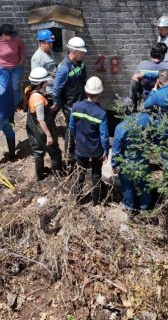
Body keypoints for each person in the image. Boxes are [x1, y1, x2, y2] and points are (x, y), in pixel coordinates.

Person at [69, 77, 110, 205]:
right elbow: (104, 135)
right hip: (96, 149)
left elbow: (71, 126)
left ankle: (77, 199)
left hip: (80, 148)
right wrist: (105, 151)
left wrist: (76, 139)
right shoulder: (101, 113)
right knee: (96, 174)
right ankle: (95, 202)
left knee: (80, 173)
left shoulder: (76, 107)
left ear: (86, 91)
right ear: (99, 93)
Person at [25, 67, 63, 180]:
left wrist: (51, 109)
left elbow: (35, 110)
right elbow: (41, 118)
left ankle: (40, 174)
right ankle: (57, 174)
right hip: (41, 127)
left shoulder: (29, 91)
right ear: (41, 83)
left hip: (31, 125)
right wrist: (49, 135)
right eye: (46, 81)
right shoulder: (38, 99)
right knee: (55, 151)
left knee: (37, 150)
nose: (47, 82)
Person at [53, 36, 88, 157]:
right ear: (73, 51)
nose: (83, 54)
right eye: (81, 52)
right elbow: (57, 88)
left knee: (80, 126)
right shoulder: (64, 68)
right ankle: (69, 153)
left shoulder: (81, 64)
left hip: (81, 100)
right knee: (71, 127)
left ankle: (79, 147)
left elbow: (83, 80)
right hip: (70, 105)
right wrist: (56, 102)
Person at [112, 112, 153, 212]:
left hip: (127, 162)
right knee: (144, 185)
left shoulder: (120, 127)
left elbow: (116, 149)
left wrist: (114, 164)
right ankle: (145, 209)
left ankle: (129, 208)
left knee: (127, 186)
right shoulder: (146, 119)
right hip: (143, 160)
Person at [0, 23, 26, 108]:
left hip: (16, 68)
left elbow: (22, 48)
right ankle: (5, 106)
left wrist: (21, 60)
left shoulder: (16, 39)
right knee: (3, 88)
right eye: (11, 35)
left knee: (15, 88)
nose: (13, 37)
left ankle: (16, 106)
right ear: (4, 35)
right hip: (2, 69)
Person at [130, 43, 168, 112]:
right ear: (162, 55)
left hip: (146, 101)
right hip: (163, 102)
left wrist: (133, 99)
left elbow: (134, 84)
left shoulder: (142, 65)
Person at [30, 29, 57, 97]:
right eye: (49, 43)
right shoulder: (37, 58)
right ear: (42, 43)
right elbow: (36, 79)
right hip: (46, 91)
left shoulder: (50, 52)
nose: (51, 44)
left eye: (52, 42)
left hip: (54, 87)